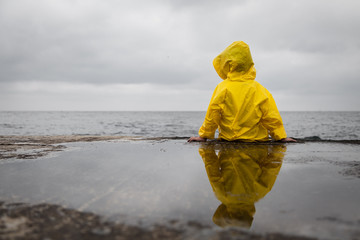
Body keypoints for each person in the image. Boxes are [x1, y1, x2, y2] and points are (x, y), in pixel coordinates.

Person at [188, 41, 295, 143]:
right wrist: (281, 137)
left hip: (229, 140)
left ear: (227, 63)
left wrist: (204, 136)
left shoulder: (222, 88)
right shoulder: (260, 89)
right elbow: (271, 117)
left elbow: (213, 114)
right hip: (257, 141)